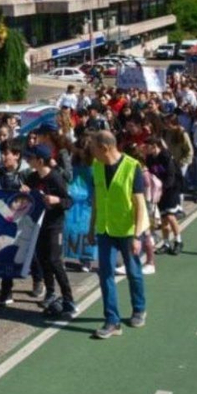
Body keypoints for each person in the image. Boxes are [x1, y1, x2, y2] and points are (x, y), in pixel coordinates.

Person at [86, 130, 148, 339]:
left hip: (128, 230)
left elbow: (139, 204)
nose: (91, 151)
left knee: (133, 271)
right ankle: (112, 321)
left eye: (93, 147)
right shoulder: (96, 167)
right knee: (105, 274)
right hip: (105, 229)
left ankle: (139, 309)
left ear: (105, 148)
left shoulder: (132, 166)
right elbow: (96, 199)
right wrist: (91, 227)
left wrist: (137, 236)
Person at [23, 143, 78, 318]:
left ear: (40, 161)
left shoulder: (55, 178)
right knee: (43, 259)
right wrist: (24, 191)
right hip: (38, 224)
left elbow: (69, 201)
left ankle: (69, 299)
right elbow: (24, 196)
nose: (27, 160)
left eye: (30, 158)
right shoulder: (32, 178)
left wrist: (57, 200)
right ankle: (50, 292)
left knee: (54, 260)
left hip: (55, 225)